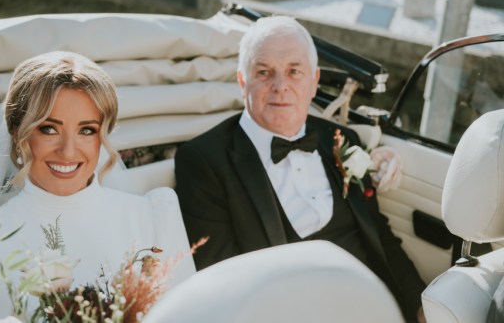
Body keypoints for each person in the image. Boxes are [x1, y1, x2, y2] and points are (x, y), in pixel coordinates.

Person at [174, 16, 426, 322]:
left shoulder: (342, 139)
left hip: (376, 304)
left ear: (314, 81)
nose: (280, 86)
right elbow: (225, 280)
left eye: (294, 71)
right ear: (242, 81)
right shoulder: (204, 161)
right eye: (264, 72)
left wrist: (419, 306)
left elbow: (381, 238)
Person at [0, 51, 195, 323]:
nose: (68, 151)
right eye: (49, 129)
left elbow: (193, 316)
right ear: (17, 135)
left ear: (102, 136)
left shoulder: (153, 216)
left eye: (87, 130)